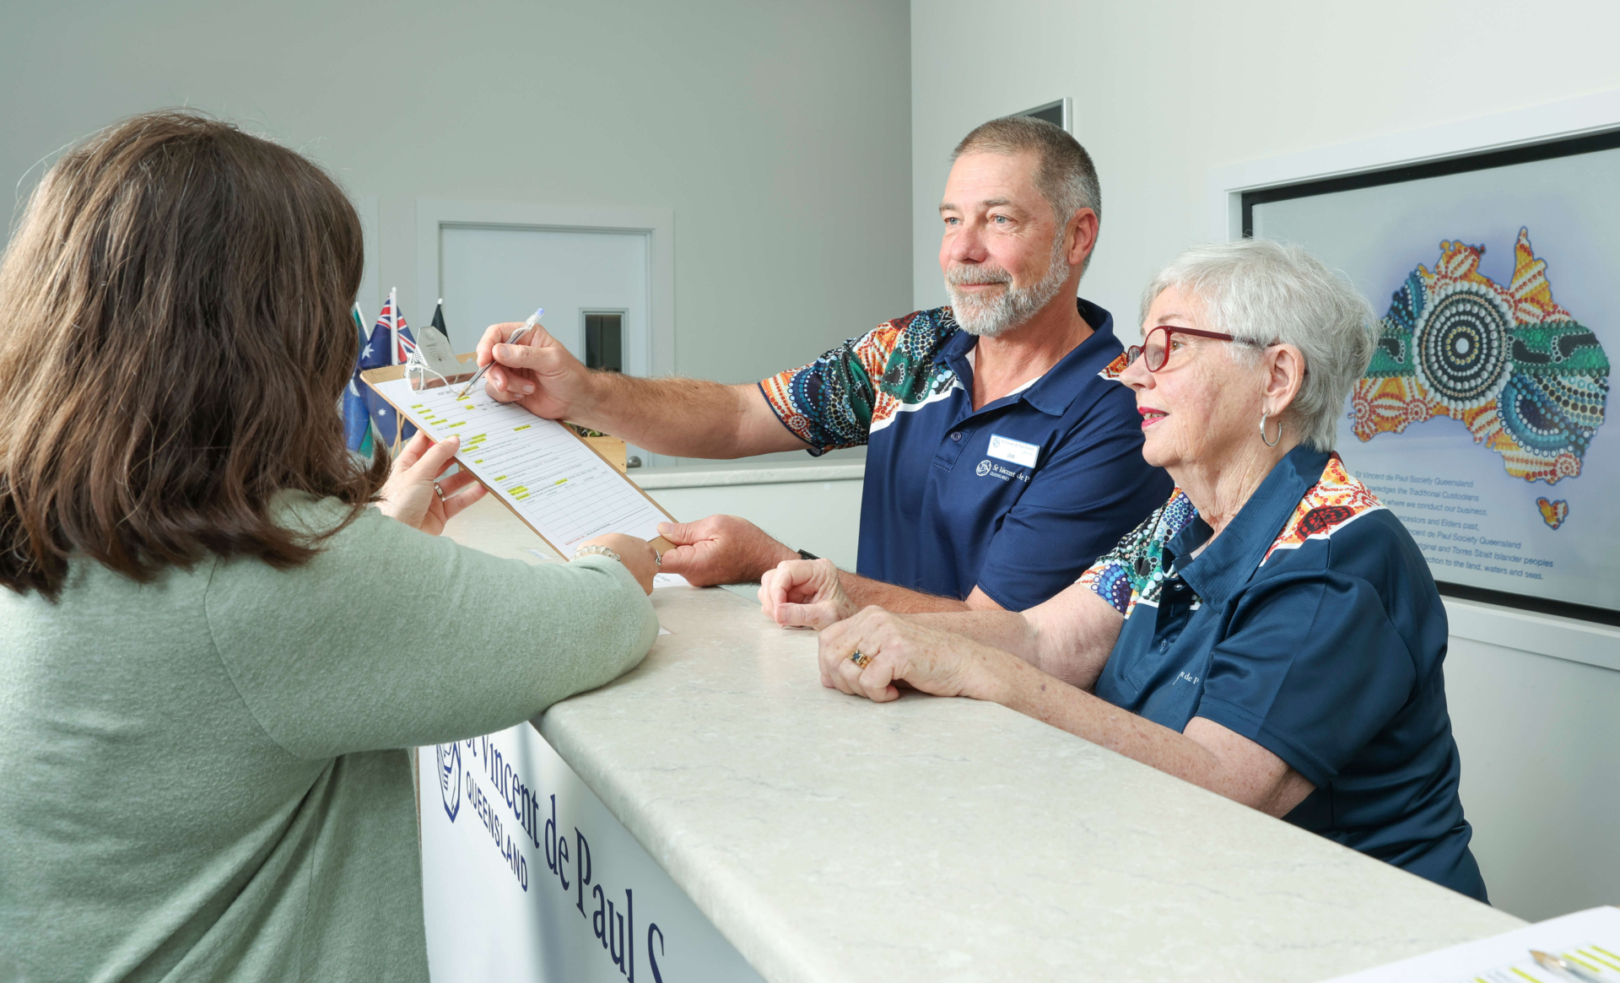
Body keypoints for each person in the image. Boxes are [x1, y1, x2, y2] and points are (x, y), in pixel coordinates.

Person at [0, 112, 662, 981]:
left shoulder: (66, 533)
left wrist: (380, 538)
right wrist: (630, 551)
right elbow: (593, 620)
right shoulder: (271, 578)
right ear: (266, 340)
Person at [774, 240, 1489, 901]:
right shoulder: (1182, 518)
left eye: (1167, 349)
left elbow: (1224, 789)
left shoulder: (1338, 558)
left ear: (1277, 377)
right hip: (1208, 900)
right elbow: (1044, 639)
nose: (1134, 375)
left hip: (1364, 936)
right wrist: (889, 624)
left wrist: (979, 671)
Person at [475, 116, 1171, 613]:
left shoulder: (1123, 409)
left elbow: (1006, 636)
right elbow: (744, 414)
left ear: (1078, 236)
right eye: (950, 219)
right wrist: (583, 393)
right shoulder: (911, 348)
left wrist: (772, 562)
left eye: (999, 220)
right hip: (884, 696)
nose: (961, 251)